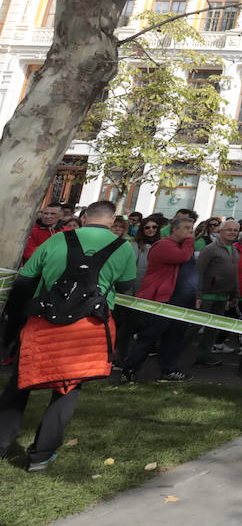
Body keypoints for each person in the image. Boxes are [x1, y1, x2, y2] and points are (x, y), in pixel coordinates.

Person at [0, 201, 136, 471]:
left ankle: (1, 442)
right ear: (112, 221)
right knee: (68, 389)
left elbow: (25, 281)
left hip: (43, 324)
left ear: (84, 218)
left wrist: (13, 325)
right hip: (89, 330)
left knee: (20, 383)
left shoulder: (58, 239)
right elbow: (126, 287)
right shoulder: (124, 248)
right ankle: (41, 454)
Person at [121, 216, 197, 384]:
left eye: (192, 229)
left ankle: (168, 370)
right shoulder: (164, 246)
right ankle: (129, 370)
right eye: (186, 228)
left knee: (174, 337)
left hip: (177, 299)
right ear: (174, 229)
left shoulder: (179, 245)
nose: (190, 232)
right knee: (149, 336)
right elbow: (183, 257)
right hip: (159, 299)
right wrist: (190, 242)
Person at [193, 218, 241, 367]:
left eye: (235, 230)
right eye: (229, 229)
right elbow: (198, 272)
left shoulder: (234, 250)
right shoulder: (210, 249)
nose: (232, 233)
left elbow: (234, 274)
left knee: (212, 330)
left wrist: (235, 294)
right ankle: (175, 355)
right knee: (193, 328)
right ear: (221, 231)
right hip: (207, 295)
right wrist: (198, 295)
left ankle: (204, 356)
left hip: (223, 296)